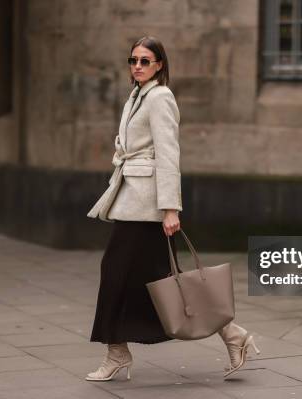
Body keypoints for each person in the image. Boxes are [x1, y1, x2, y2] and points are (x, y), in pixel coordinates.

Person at [85, 35, 260, 382]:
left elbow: (169, 154)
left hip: (147, 205)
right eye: (133, 60)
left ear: (159, 64)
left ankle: (117, 352)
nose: (137, 66)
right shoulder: (137, 95)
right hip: (132, 198)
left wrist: (170, 208)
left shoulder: (160, 97)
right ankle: (232, 335)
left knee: (122, 272)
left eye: (145, 61)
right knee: (164, 281)